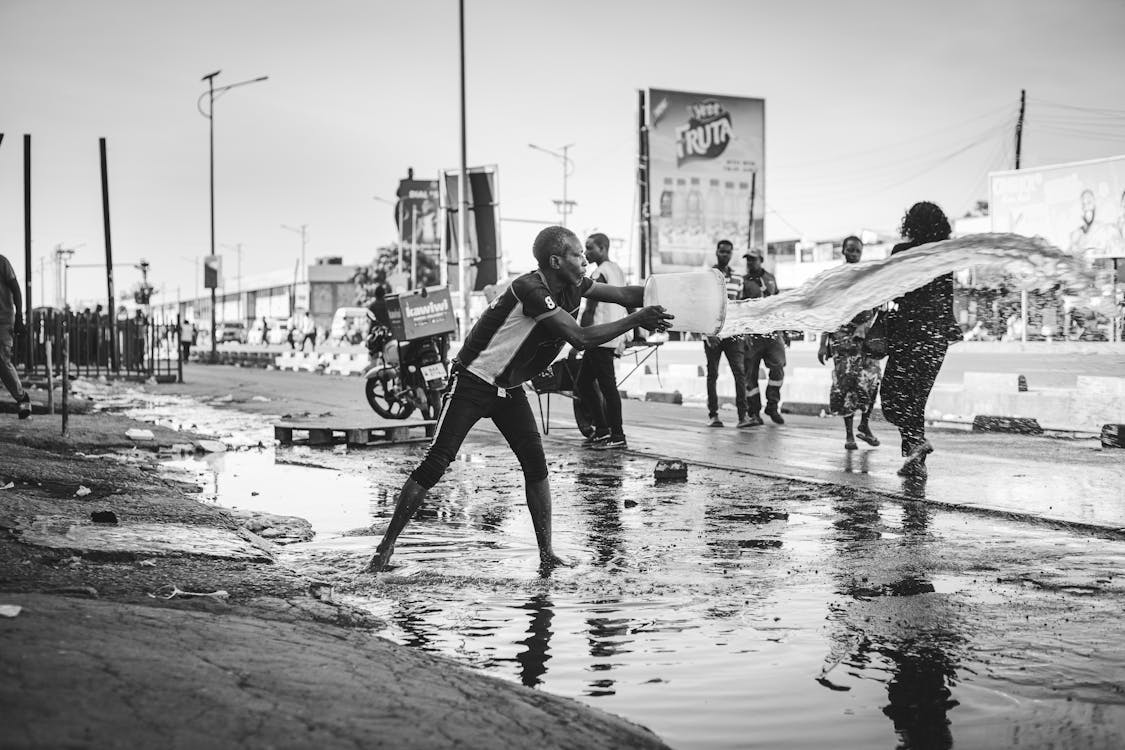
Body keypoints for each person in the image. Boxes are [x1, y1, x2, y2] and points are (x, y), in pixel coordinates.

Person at [366, 226, 673, 574]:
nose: (585, 259)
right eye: (577, 254)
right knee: (436, 463)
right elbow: (580, 338)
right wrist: (636, 319)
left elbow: (622, 293)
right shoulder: (530, 288)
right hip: (473, 381)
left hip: (509, 388)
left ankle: (547, 552)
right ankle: (384, 550)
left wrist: (664, 295)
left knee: (536, 465)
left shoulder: (576, 285)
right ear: (555, 261)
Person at [879, 202, 962, 478]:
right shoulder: (944, 254)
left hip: (910, 332)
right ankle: (915, 459)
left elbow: (894, 290)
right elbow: (945, 294)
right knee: (914, 400)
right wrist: (949, 326)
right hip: (936, 336)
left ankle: (916, 448)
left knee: (893, 400)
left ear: (910, 223)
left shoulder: (902, 251)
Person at [817, 236, 881, 450]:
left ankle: (864, 425)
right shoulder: (837, 278)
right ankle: (849, 435)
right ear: (843, 251)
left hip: (866, 338)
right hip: (842, 339)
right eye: (850, 250)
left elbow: (878, 304)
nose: (854, 254)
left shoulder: (868, 276)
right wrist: (823, 342)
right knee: (847, 385)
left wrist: (866, 326)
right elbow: (828, 311)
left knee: (872, 381)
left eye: (857, 251)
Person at [575, 232, 631, 450]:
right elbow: (627, 299)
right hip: (611, 334)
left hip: (599, 336)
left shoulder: (599, 273)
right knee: (585, 384)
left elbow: (590, 308)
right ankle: (602, 430)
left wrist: (580, 338)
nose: (586, 252)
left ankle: (616, 434)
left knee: (607, 387)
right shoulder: (616, 269)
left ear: (603, 248)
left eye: (590, 248)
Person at [703, 240, 751, 428]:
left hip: (732, 334)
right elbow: (703, 305)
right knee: (712, 374)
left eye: (728, 252)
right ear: (716, 252)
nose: (724, 255)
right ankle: (713, 415)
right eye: (722, 252)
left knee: (739, 373)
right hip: (713, 334)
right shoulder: (708, 277)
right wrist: (707, 333)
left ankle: (742, 416)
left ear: (731, 254)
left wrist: (743, 331)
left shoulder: (738, 279)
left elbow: (739, 307)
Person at [741, 247, 787, 425]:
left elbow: (777, 304)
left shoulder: (770, 278)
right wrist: (743, 332)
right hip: (752, 335)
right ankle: (754, 412)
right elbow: (741, 309)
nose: (749, 263)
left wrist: (782, 329)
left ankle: (772, 405)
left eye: (753, 259)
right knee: (749, 375)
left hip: (772, 334)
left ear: (761, 260)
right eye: (748, 260)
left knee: (778, 367)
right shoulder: (743, 282)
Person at [1, 252, 32, 419]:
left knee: (2, 360)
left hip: (3, 321)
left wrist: (20, 317)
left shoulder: (2, 262)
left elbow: (16, 289)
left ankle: (22, 397)